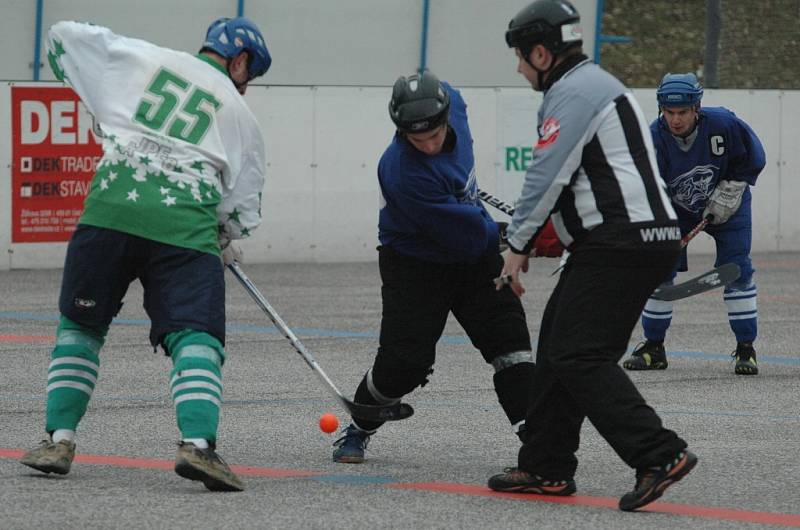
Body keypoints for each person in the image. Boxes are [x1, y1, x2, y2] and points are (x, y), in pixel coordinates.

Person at [20, 17, 271, 492]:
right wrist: (225, 236)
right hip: (184, 231)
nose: (247, 86)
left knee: (81, 326)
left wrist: (93, 93)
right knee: (196, 337)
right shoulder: (241, 116)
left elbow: (62, 37)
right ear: (239, 62)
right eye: (249, 75)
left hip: (108, 215)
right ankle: (198, 447)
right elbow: (242, 211)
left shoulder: (139, 57)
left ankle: (58, 440)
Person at [487, 0, 697, 512]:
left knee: (581, 354)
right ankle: (546, 465)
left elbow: (548, 172)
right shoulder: (590, 84)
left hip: (622, 242)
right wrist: (540, 236)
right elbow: (577, 183)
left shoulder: (574, 90)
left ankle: (659, 453)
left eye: (520, 56)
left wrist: (516, 245)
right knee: (559, 345)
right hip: (620, 240)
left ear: (541, 52)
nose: (518, 68)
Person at [331, 70, 558, 464]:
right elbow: (470, 236)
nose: (430, 145)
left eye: (435, 135)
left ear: (446, 116)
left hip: (471, 251)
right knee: (403, 364)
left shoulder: (453, 103)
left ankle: (540, 446)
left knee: (511, 345)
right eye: (417, 140)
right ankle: (360, 427)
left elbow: (475, 234)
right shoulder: (402, 171)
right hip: (416, 263)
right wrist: (530, 238)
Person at [622, 73, 765, 375]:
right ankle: (654, 348)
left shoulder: (724, 124)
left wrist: (732, 189)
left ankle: (746, 349)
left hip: (729, 203)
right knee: (659, 268)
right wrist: (659, 231)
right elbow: (649, 191)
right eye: (669, 112)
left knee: (737, 269)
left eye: (683, 112)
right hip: (678, 211)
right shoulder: (652, 139)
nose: (676, 120)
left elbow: (753, 157)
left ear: (697, 107)